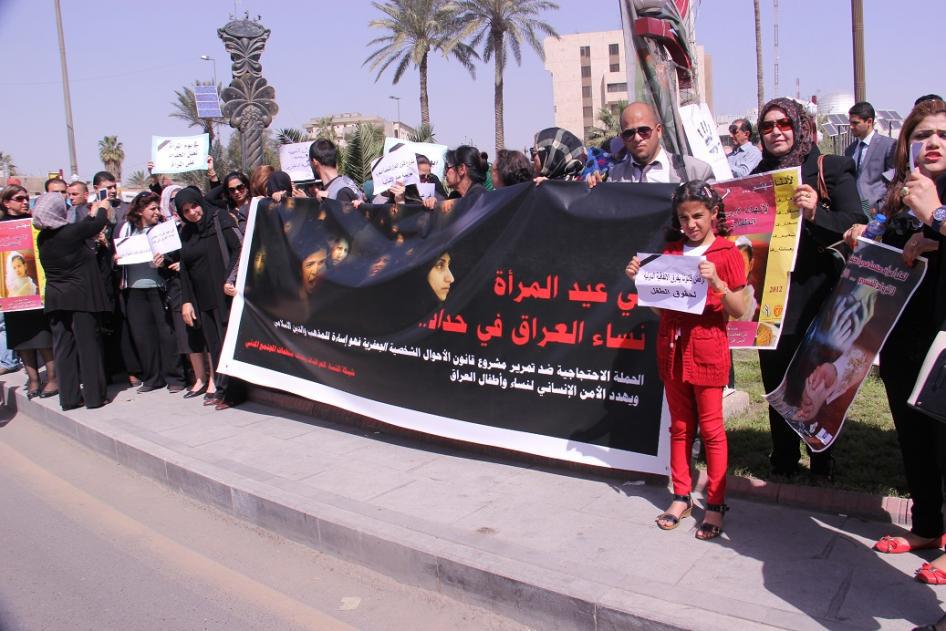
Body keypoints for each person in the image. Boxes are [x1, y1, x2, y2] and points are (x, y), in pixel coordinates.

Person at [846, 99, 946, 584]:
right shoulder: (899, 194)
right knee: (913, 435)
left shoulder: (935, 200)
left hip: (942, 338)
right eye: (923, 134)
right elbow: (884, 252)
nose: (933, 142)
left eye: (943, 134)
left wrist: (938, 220)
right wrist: (864, 240)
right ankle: (928, 527)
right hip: (903, 333)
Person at [751, 97, 866, 481]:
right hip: (772, 294)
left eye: (783, 123)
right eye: (767, 126)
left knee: (816, 378)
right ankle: (783, 459)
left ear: (800, 125)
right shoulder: (755, 177)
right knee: (776, 377)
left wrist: (817, 212)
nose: (776, 132)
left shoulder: (828, 168)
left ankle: (821, 462)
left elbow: (857, 223)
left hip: (820, 292)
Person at [624, 181, 746, 540]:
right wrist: (640, 279)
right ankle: (680, 496)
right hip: (673, 348)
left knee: (711, 429)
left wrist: (719, 282)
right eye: (684, 217)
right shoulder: (671, 254)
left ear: (713, 215)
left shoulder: (726, 253)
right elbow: (665, 306)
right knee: (679, 427)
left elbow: (739, 311)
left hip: (708, 347)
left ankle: (716, 504)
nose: (691, 223)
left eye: (697, 216)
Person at [34, 192, 111, 410]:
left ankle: (69, 398)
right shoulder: (70, 233)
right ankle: (95, 397)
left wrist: (91, 215)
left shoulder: (43, 238)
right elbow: (98, 224)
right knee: (88, 346)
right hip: (80, 298)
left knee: (63, 348)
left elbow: (84, 228)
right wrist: (103, 207)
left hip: (56, 298)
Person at [175, 187, 243, 410]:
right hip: (202, 298)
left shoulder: (219, 218)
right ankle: (222, 390)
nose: (193, 212)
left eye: (194, 206)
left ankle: (232, 392)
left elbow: (239, 248)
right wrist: (186, 300)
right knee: (214, 345)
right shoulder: (186, 233)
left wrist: (230, 279)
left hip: (223, 293)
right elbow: (184, 269)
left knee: (226, 343)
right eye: (186, 210)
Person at [115, 192, 186, 394]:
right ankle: (152, 378)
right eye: (152, 209)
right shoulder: (125, 228)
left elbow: (175, 256)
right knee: (143, 336)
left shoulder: (164, 230)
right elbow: (118, 255)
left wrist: (164, 262)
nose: (157, 212)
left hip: (159, 288)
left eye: (157, 208)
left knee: (167, 334)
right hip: (134, 290)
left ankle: (175, 377)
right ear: (139, 211)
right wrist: (116, 258)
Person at [0, 186, 57, 399]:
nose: (25, 202)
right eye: (19, 199)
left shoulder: (35, 224)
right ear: (7, 202)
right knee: (21, 339)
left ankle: (53, 378)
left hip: (37, 293)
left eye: (26, 198)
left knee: (43, 338)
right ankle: (33, 380)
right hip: (12, 297)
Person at [589, 102, 714, 185]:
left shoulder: (695, 172)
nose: (637, 138)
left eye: (644, 131)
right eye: (629, 133)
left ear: (658, 131)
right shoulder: (613, 178)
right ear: (623, 138)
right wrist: (597, 194)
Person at [844, 101, 896, 213]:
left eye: (855, 123)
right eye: (850, 123)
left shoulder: (888, 146)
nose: (851, 127)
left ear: (869, 122)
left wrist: (880, 207)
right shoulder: (850, 150)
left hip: (876, 210)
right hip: (854, 209)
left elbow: (894, 181)